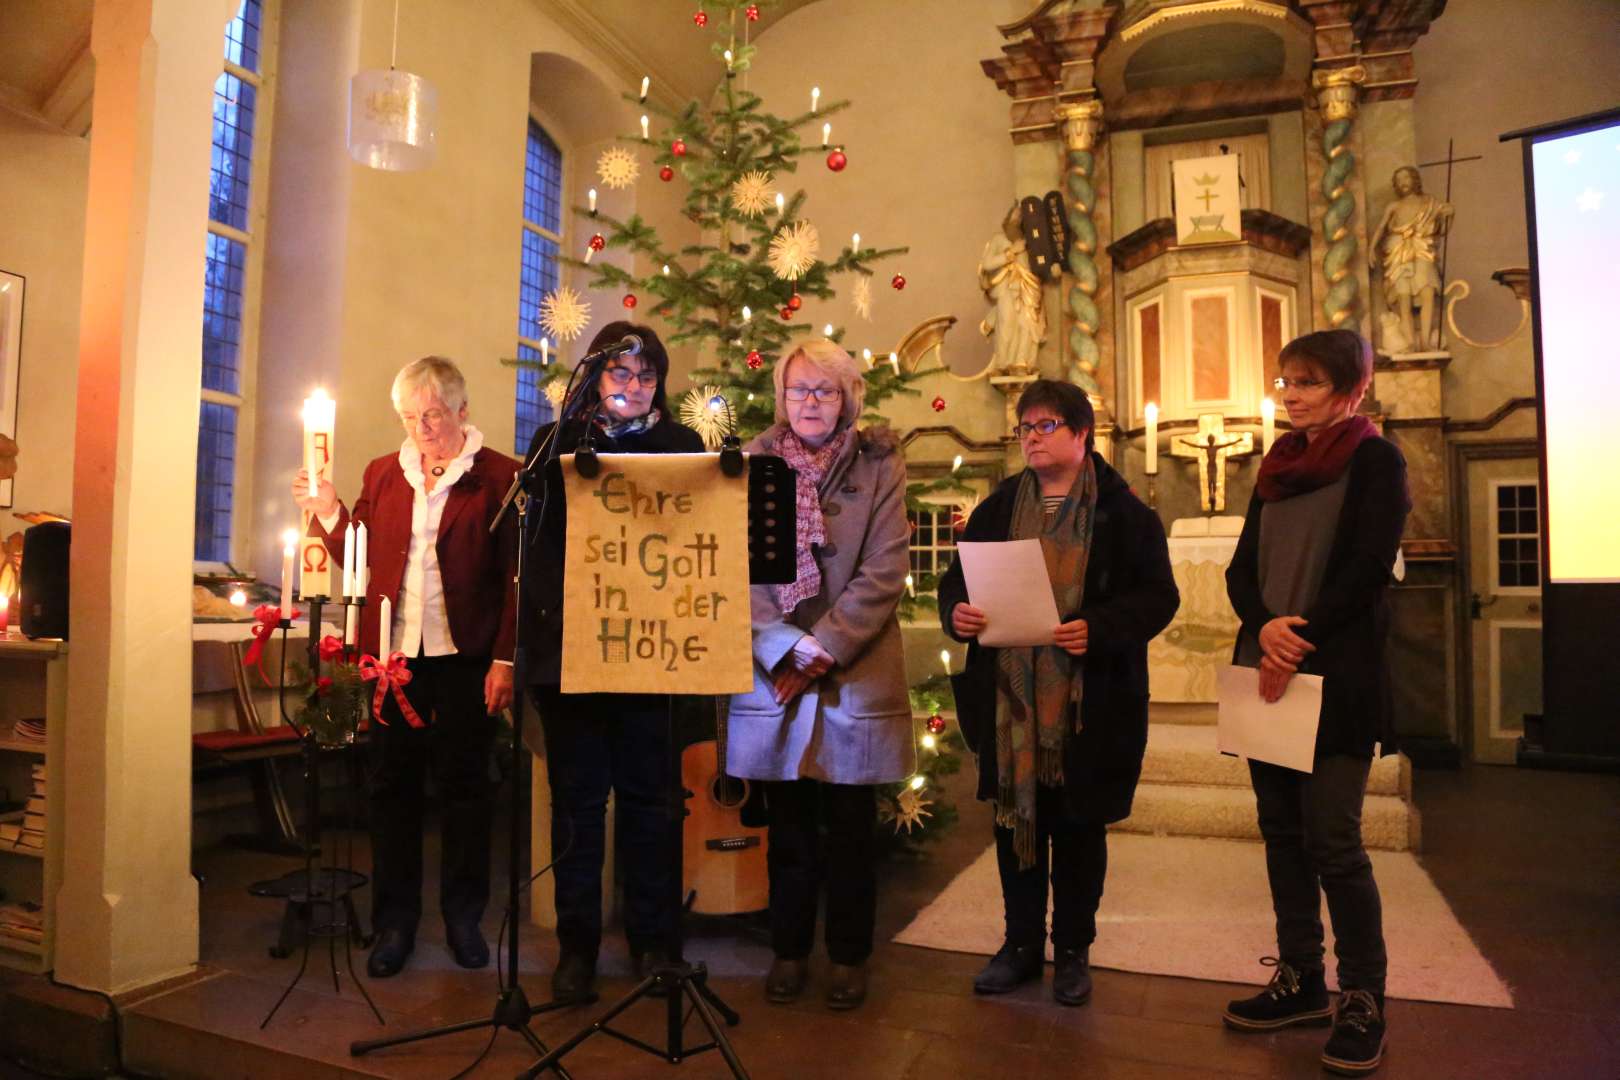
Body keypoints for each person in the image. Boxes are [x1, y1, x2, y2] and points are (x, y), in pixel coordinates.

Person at [938, 379, 1177, 1007]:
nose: (1032, 438)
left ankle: (1072, 950)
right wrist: (957, 612)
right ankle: (1020, 945)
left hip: (1087, 705)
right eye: (1026, 428)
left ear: (1082, 433)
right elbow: (955, 584)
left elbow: (1158, 598)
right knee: (1016, 822)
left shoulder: (1125, 514)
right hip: (1009, 705)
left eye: (1046, 426)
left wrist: (1099, 628)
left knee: (1076, 828)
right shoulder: (996, 510)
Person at [1221, 329, 1410, 1077]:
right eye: (1284, 382)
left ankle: (1363, 995)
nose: (1290, 394)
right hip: (1267, 664)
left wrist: (1297, 637)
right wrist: (1263, 624)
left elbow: (1368, 566)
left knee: (1332, 837)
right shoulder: (1279, 464)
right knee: (1280, 831)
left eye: (1305, 382)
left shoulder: (1375, 458)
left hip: (1336, 674)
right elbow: (1240, 569)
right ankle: (1301, 976)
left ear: (1350, 389)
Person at [294, 356, 518, 978]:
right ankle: (395, 921)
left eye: (433, 414)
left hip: (466, 659)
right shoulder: (384, 473)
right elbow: (362, 557)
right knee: (392, 790)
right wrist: (333, 513)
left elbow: (516, 579)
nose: (421, 427)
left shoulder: (502, 476)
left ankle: (464, 918)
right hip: (393, 658)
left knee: (466, 791)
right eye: (409, 416)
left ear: (462, 410)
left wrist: (504, 658)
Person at [725, 339, 913, 1011]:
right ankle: (789, 950)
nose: (810, 402)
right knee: (792, 825)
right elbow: (734, 567)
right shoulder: (749, 464)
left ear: (847, 399)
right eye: (799, 390)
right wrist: (782, 645)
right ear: (782, 397)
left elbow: (887, 566)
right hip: (772, 664)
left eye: (824, 391)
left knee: (851, 827)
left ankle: (849, 957)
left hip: (852, 667)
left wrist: (824, 647)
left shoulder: (882, 463)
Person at [522, 321, 705, 1000]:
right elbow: (535, 554)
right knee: (576, 807)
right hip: (572, 658)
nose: (632, 386)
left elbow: (698, 553)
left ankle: (653, 941)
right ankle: (578, 950)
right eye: (619, 373)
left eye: (646, 375)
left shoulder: (682, 449)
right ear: (595, 376)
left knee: (652, 805)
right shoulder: (556, 445)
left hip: (653, 658)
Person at [1370, 166, 1454, 353]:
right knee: (1403, 299)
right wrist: (1371, 248)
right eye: (1399, 180)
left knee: (1427, 293)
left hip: (1423, 250)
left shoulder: (1430, 203)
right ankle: (1409, 342)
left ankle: (1425, 341)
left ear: (1415, 179)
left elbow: (1442, 231)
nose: (1403, 183)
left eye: (1406, 178)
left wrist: (1450, 215)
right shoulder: (1394, 206)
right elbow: (1381, 228)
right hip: (1399, 252)